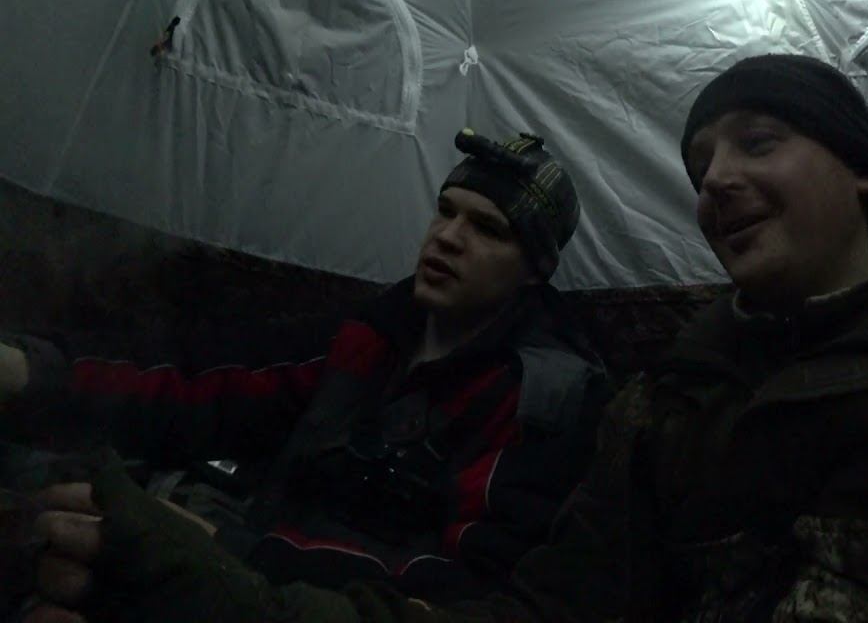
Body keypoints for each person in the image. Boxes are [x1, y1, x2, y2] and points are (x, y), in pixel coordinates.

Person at [15, 56, 868, 622]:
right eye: (698, 162)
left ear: (861, 175)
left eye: (757, 141)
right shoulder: (671, 411)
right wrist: (175, 563)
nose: (715, 179)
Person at [0, 129, 612, 618]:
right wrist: (35, 373)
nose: (448, 238)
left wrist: (233, 552)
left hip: (318, 602)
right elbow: (211, 387)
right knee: (57, 524)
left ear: (534, 269)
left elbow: (470, 584)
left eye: (487, 230)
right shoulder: (377, 334)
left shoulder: (543, 400)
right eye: (446, 212)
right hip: (248, 564)